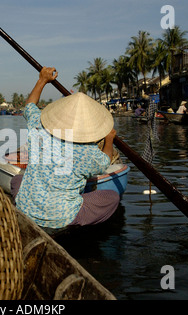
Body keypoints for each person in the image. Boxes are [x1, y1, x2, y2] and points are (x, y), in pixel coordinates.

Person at [10, 67, 120, 229]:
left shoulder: (37, 126)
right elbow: (105, 161)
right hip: (61, 216)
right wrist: (109, 140)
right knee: (112, 197)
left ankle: (29, 212)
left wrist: (42, 80)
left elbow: (29, 106)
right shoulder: (87, 152)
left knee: (17, 179)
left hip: (27, 208)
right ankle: (70, 225)